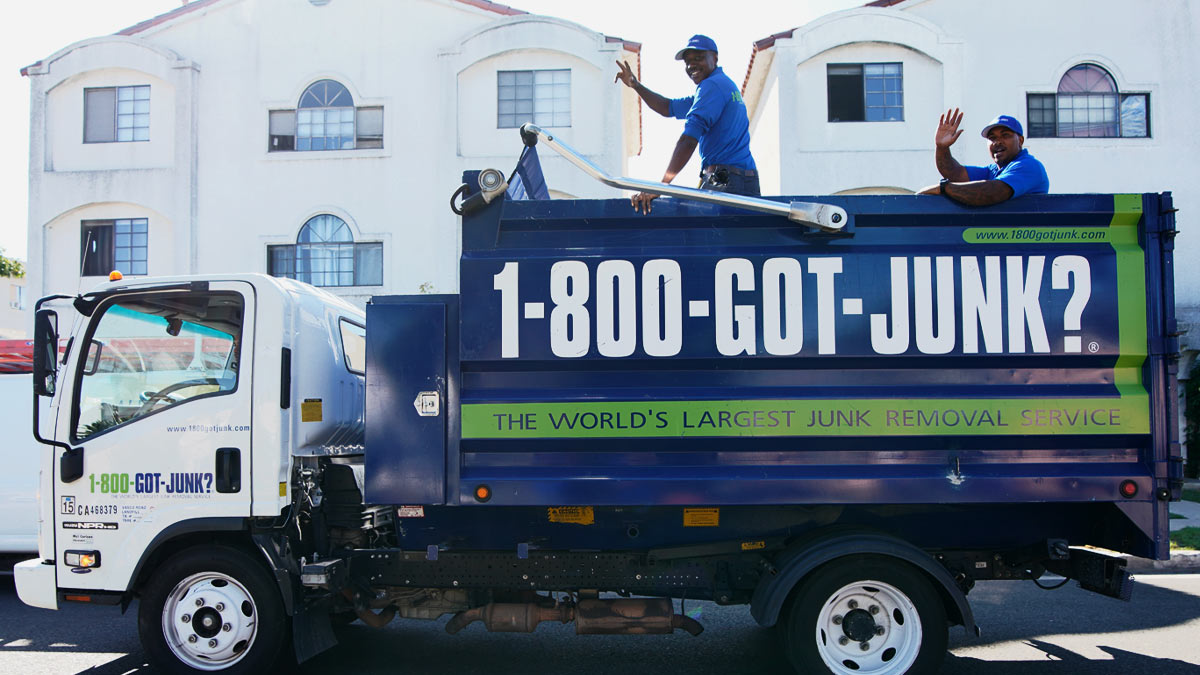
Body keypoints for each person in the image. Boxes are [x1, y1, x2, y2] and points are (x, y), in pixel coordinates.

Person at [614, 34, 758, 213]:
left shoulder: (711, 87)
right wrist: (635, 85)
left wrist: (663, 185)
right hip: (743, 181)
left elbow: (688, 140)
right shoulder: (721, 87)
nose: (691, 66)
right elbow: (667, 107)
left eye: (698, 58)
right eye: (687, 62)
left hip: (727, 183)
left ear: (715, 58)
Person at [918, 109, 1049, 206]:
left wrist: (943, 188)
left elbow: (992, 192)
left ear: (1020, 140)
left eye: (1005, 135)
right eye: (992, 138)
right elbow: (954, 173)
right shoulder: (992, 171)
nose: (997, 142)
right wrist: (942, 147)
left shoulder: (1028, 166)